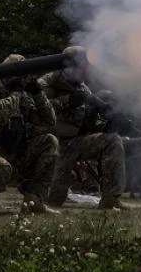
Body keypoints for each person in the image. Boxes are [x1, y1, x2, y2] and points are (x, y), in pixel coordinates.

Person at [39, 46, 129, 210]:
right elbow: (36, 111)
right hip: (49, 145)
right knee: (51, 200)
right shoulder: (46, 83)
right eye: (82, 67)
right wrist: (67, 101)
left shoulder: (81, 87)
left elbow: (88, 118)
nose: (85, 72)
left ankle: (111, 198)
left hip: (73, 143)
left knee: (111, 141)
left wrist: (108, 120)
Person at [0, 54, 60, 214]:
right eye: (22, 75)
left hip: (15, 153)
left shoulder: (23, 96)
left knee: (49, 141)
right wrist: (16, 92)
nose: (25, 78)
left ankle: (34, 202)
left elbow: (49, 122)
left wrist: (38, 94)